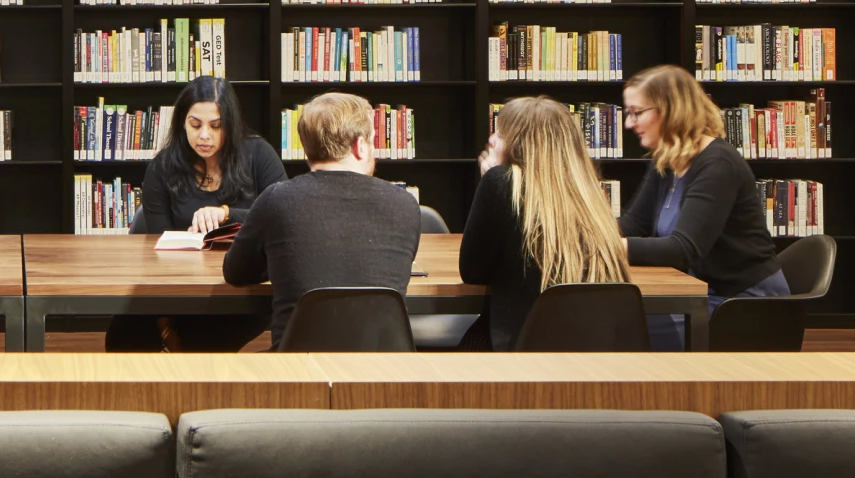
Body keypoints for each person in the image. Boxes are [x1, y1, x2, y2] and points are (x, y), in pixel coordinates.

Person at [219, 91, 423, 346]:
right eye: (372, 141)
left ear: (306, 147)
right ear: (360, 146)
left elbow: (235, 272)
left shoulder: (277, 200)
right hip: (383, 371)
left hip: (299, 371)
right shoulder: (404, 204)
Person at [108, 76, 288, 352]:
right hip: (177, 289)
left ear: (231, 124)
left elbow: (283, 214)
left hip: (241, 286)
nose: (204, 135)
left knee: (202, 346)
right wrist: (166, 327)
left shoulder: (258, 154)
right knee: (122, 340)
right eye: (195, 124)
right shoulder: (162, 168)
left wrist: (226, 213)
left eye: (216, 126)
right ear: (182, 122)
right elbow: (157, 253)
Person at [619, 63, 791, 347]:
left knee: (628, 328)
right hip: (702, 293)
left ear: (672, 110)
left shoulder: (717, 165)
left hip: (742, 303)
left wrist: (610, 247)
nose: (629, 124)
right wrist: (592, 235)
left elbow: (683, 249)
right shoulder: (666, 158)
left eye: (637, 113)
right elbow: (632, 224)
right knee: (619, 319)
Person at [458, 96, 633, 349]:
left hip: (525, 353)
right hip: (600, 354)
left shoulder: (502, 182)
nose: (493, 141)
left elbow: (472, 271)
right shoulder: (589, 192)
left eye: (500, 133)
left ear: (519, 143)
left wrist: (489, 179)